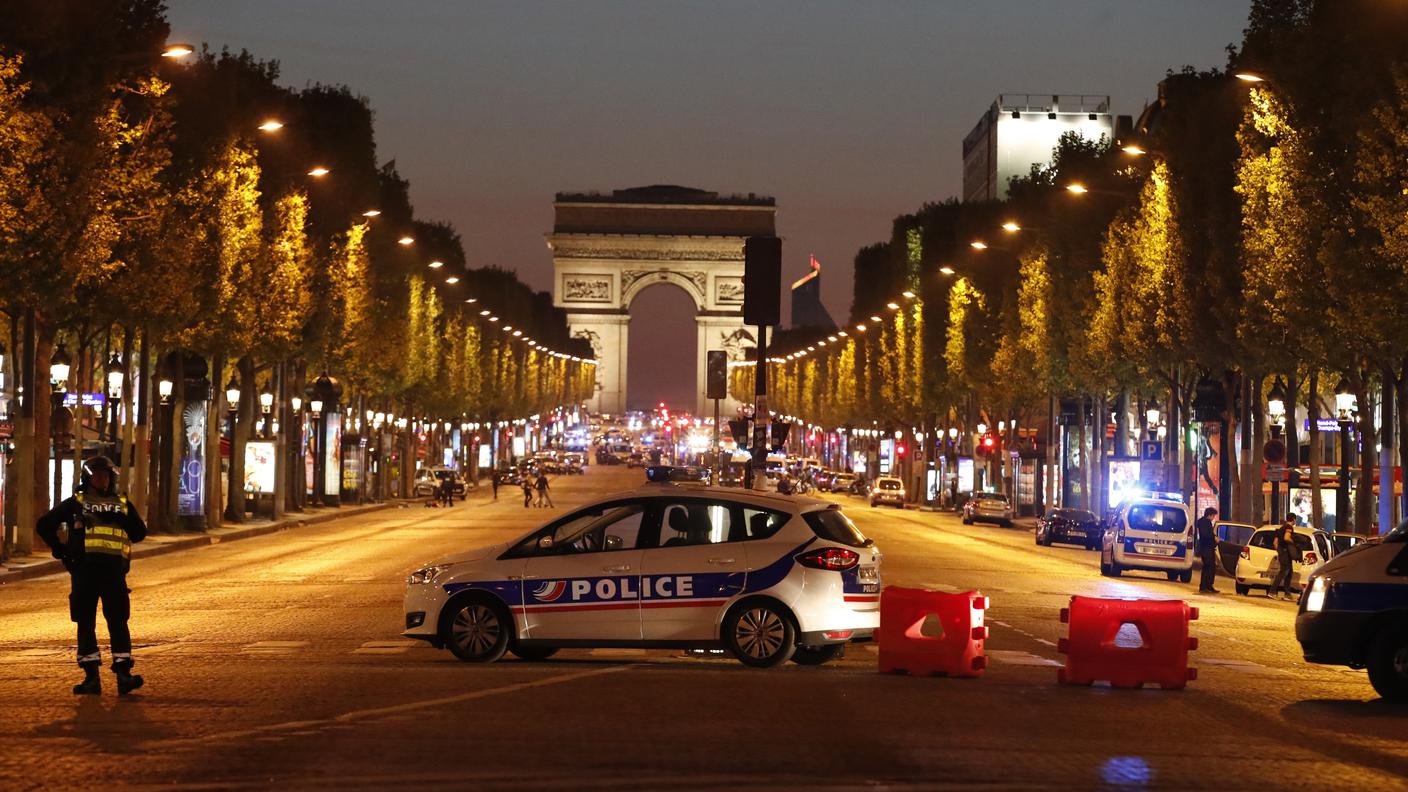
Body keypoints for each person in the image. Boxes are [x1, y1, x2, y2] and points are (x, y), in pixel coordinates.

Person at [35, 456, 147, 696]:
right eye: (97, 476)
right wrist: (60, 549)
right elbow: (44, 524)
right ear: (88, 478)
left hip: (114, 574)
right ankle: (91, 678)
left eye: (106, 476)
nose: (103, 480)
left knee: (118, 622)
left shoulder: (123, 504)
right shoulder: (77, 503)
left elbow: (139, 534)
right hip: (85, 573)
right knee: (86, 624)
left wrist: (123, 520)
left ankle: (124, 675)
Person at [1268, 517, 1299, 600]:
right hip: (1285, 552)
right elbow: (1286, 538)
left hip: (1283, 552)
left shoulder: (1281, 528)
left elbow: (1275, 543)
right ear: (1294, 520)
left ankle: (1287, 594)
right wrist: (1294, 543)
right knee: (1284, 572)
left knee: (1289, 573)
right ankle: (1272, 591)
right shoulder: (1289, 527)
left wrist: (1279, 551)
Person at [1195, 507, 1220, 594]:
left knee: (1210, 567)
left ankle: (1208, 585)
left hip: (1206, 548)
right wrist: (1214, 539)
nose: (1213, 518)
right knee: (1208, 567)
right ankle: (1205, 586)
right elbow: (1207, 535)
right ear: (1209, 515)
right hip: (1206, 548)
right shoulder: (1205, 523)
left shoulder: (1202, 522)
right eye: (1213, 516)